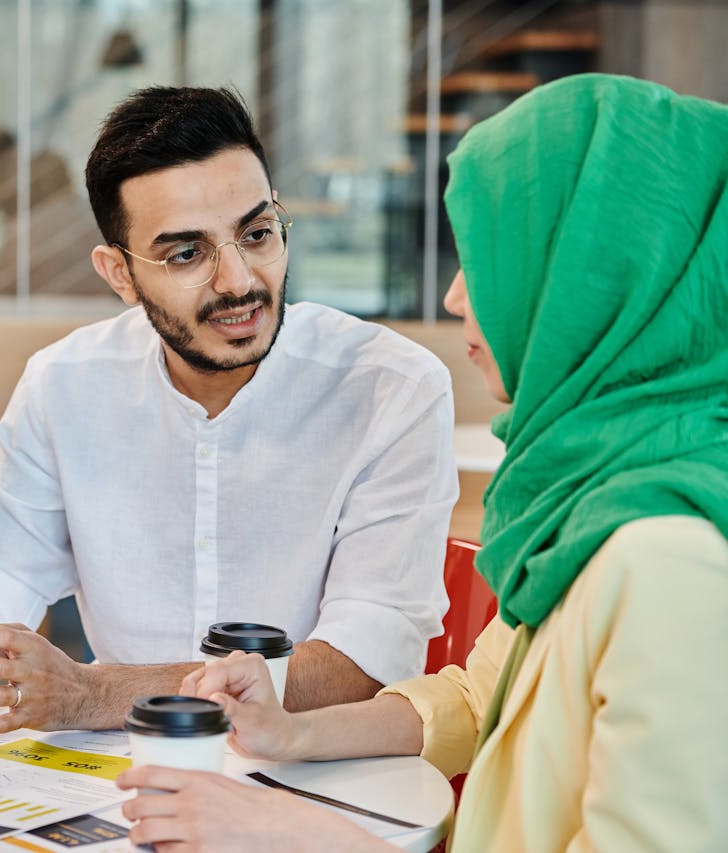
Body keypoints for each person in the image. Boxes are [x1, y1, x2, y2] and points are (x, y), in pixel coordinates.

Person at [115, 73, 728, 851]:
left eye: (490, 262)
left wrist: (292, 833)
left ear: (595, 283)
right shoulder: (595, 488)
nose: (453, 296)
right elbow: (478, 698)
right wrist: (288, 733)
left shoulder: (670, 559)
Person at [0, 86, 457, 733]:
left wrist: (99, 693)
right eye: (186, 253)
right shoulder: (64, 384)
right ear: (118, 273)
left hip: (323, 779)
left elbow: (366, 661)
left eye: (257, 234)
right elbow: (1, 581)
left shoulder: (392, 387)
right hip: (113, 780)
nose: (238, 280)